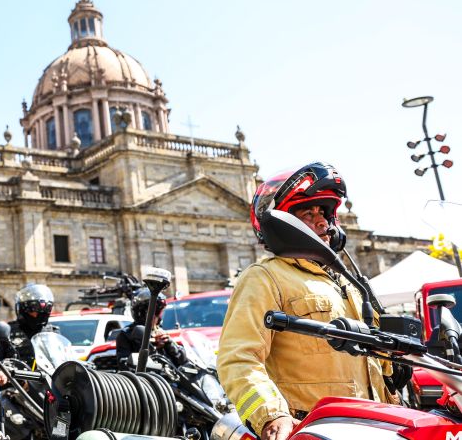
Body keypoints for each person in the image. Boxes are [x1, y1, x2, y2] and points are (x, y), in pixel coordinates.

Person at [217, 162, 396, 440]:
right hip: (311, 430)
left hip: (372, 426)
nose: (323, 222)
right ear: (282, 224)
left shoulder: (348, 284)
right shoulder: (265, 277)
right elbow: (238, 359)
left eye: (324, 213)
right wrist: (271, 415)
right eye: (309, 214)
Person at [0, 283, 59, 387]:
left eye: (43, 312)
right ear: (22, 310)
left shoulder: (52, 332)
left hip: (46, 386)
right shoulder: (7, 330)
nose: (38, 315)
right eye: (33, 311)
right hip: (14, 387)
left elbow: (60, 359)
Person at [114, 290, 186, 369]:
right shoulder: (127, 334)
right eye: (155, 312)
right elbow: (124, 365)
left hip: (168, 376)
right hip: (145, 376)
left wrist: (169, 344)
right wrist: (151, 347)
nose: (158, 316)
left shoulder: (160, 332)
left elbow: (182, 361)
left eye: (158, 312)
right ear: (144, 313)